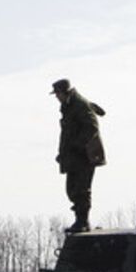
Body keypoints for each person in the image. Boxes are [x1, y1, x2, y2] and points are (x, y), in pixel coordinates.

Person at [52, 78, 107, 234]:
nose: (57, 97)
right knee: (72, 189)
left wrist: (77, 146)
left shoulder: (79, 105)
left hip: (85, 155)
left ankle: (83, 221)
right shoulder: (69, 106)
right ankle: (80, 219)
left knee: (82, 188)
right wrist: (63, 153)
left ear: (65, 92)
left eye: (58, 93)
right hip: (74, 156)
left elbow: (92, 128)